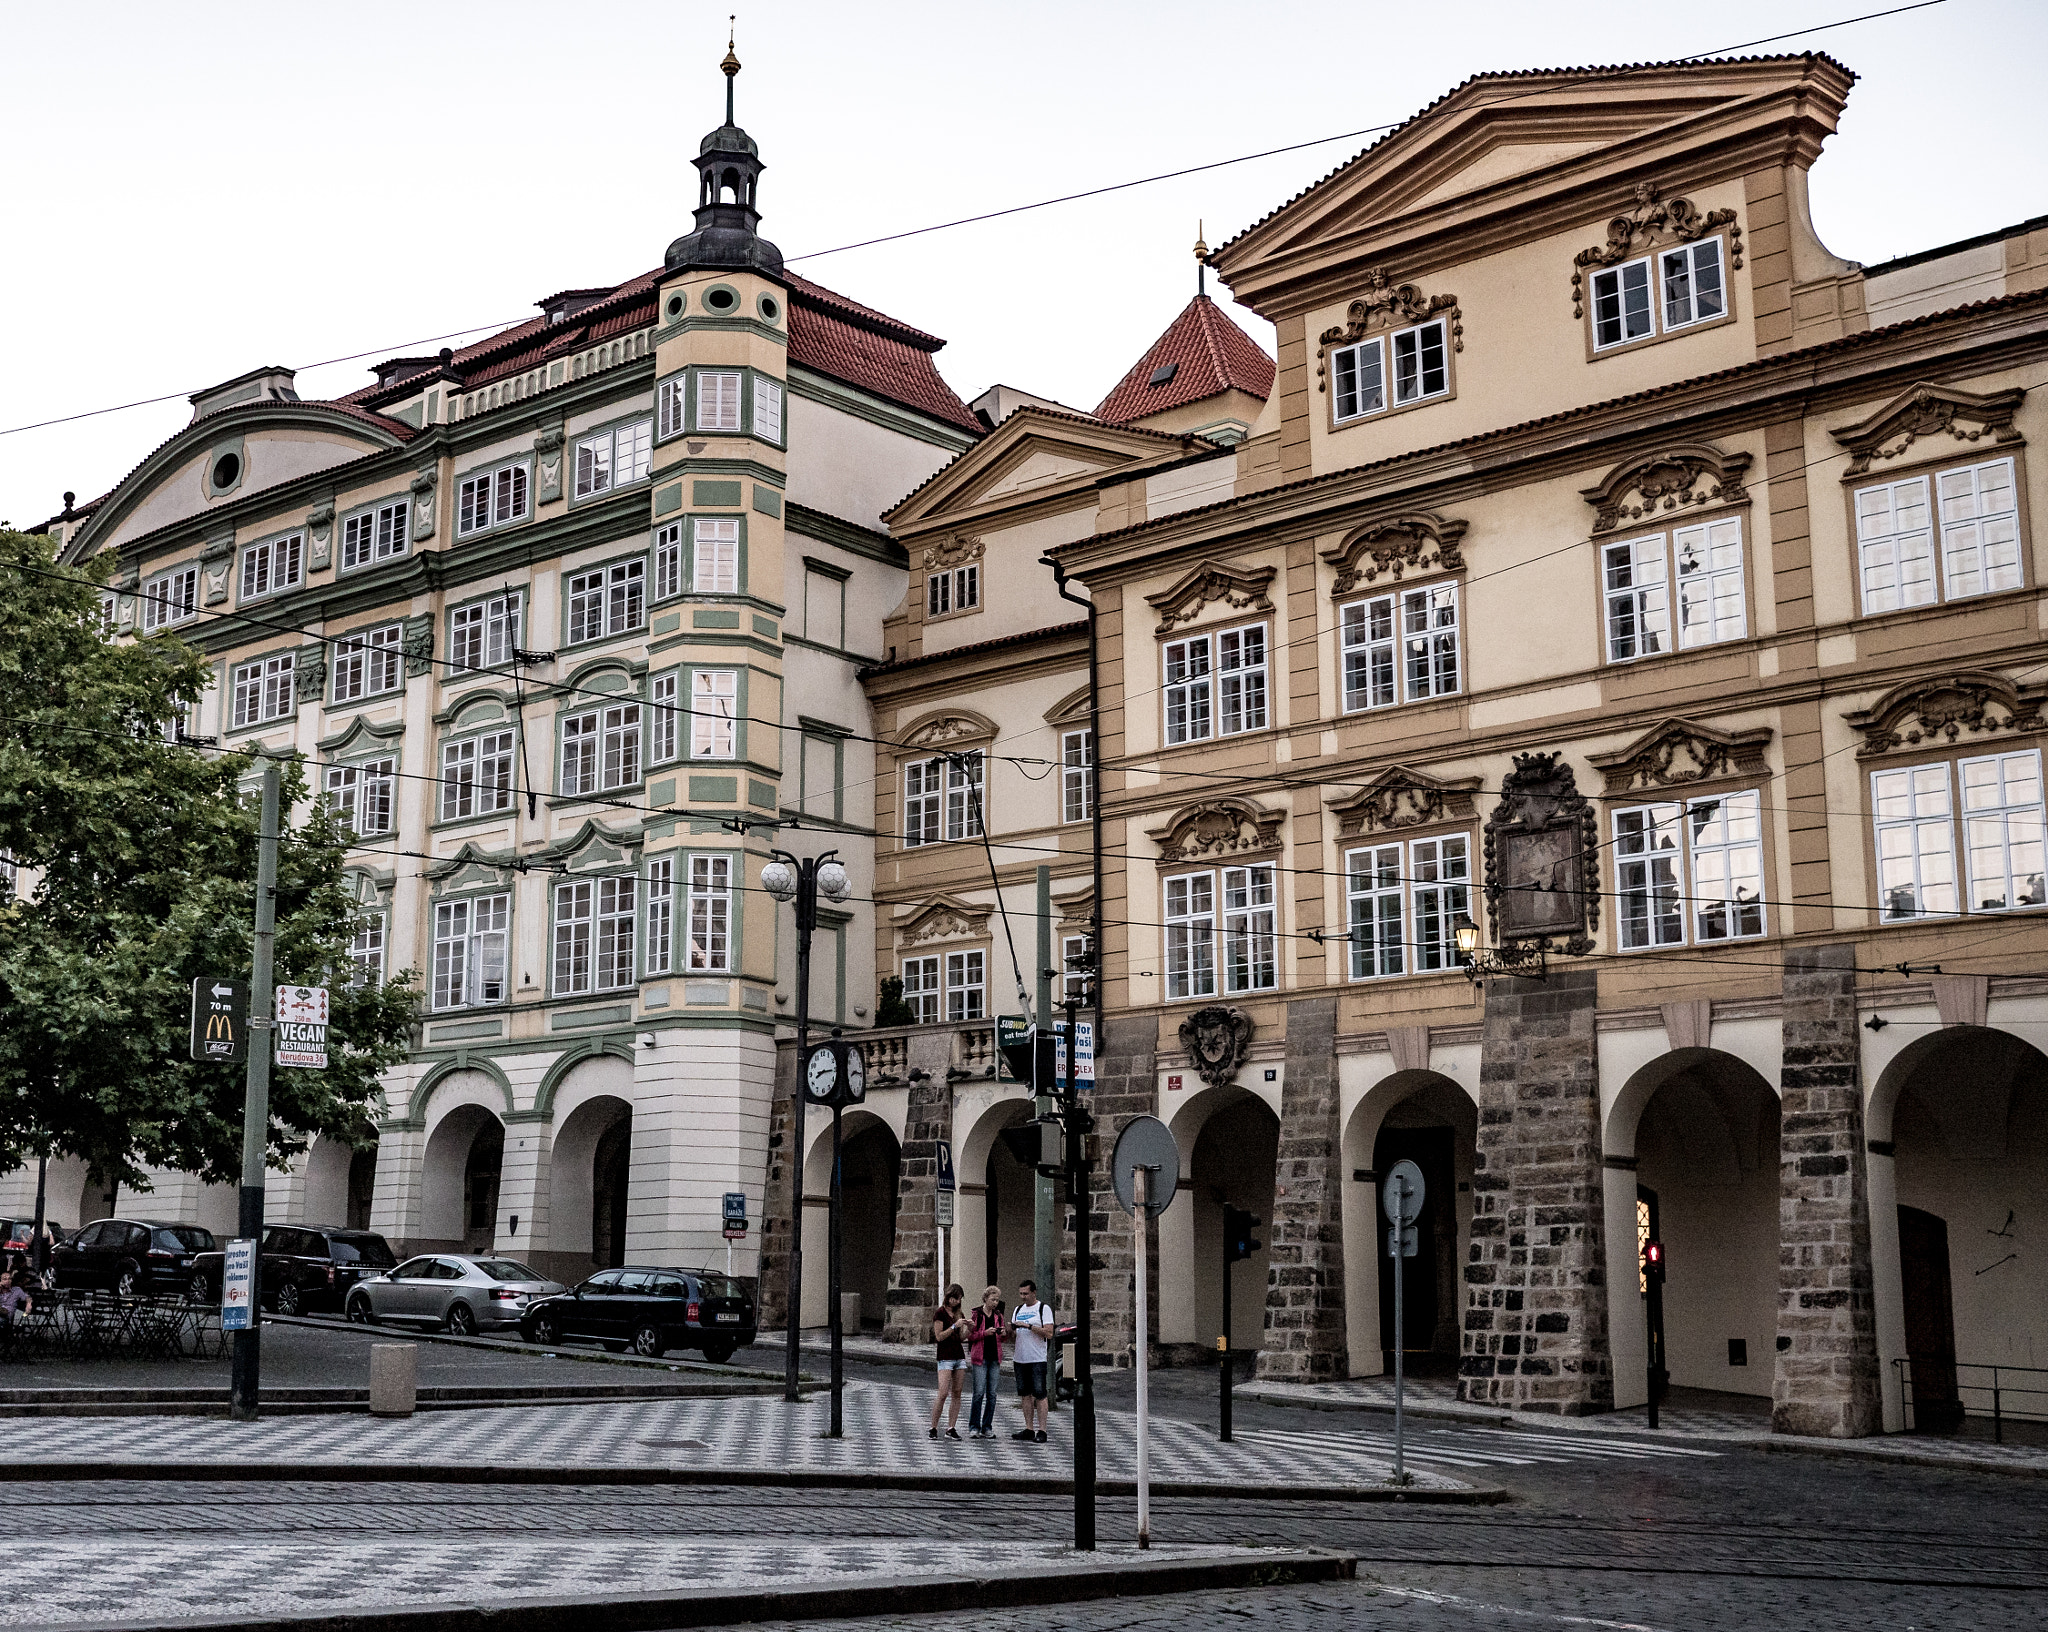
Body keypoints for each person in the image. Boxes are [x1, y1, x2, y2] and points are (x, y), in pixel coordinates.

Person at [1011, 1277, 1054, 1442]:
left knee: (1040, 1393)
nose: (1023, 1297)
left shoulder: (1043, 1309)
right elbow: (1014, 1334)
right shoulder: (1018, 1309)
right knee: (1024, 1393)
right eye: (1021, 1294)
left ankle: (1042, 1430)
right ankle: (1029, 1427)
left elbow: (1049, 1333)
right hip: (1020, 1358)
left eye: (1026, 1293)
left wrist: (1029, 1326)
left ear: (1033, 1293)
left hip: (1037, 1358)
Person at [928, 1283, 969, 1439]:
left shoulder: (959, 1314)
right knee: (943, 1392)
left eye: (958, 1299)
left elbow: (960, 1338)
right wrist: (953, 1326)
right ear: (948, 1297)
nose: (956, 1302)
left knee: (957, 1392)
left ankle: (951, 1427)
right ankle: (933, 1426)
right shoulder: (940, 1314)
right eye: (954, 1298)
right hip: (945, 1356)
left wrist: (969, 1329)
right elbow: (939, 1337)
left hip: (958, 1355)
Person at [964, 1284, 1005, 1438]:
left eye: (997, 1300)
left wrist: (1003, 1333)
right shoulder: (977, 1314)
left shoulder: (998, 1316)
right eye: (993, 1299)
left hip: (995, 1357)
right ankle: (974, 1426)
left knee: (992, 1394)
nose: (995, 1303)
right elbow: (971, 1336)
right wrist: (985, 1333)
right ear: (986, 1298)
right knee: (978, 1393)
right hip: (980, 1357)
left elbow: (1003, 1337)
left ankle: (987, 1426)